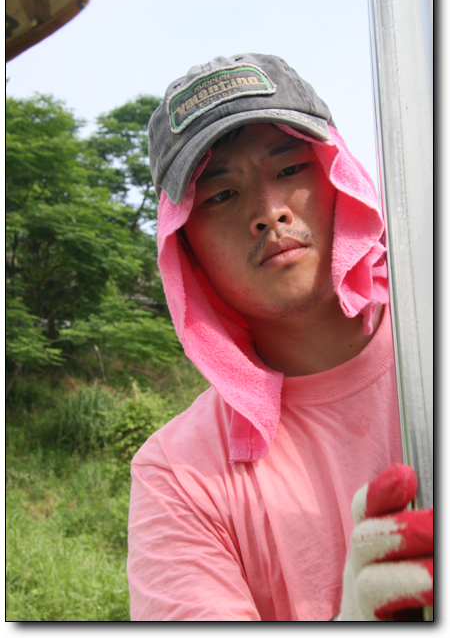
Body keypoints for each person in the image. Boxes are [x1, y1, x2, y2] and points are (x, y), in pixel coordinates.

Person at [127, 53, 433, 621]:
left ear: (340, 177)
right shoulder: (178, 474)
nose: (270, 214)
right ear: (185, 249)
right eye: (221, 195)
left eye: (290, 169)